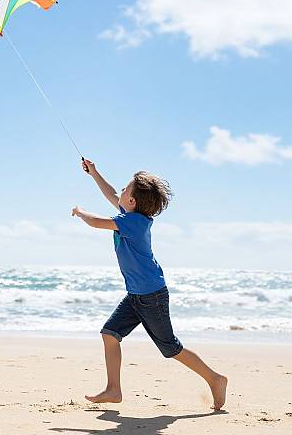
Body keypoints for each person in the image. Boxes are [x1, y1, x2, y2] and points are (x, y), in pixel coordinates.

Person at [72, 158, 227, 410]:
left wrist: (80, 212)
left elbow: (96, 222)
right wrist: (94, 173)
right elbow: (111, 193)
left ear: (132, 201)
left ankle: (216, 379)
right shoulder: (131, 214)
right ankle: (113, 389)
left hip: (151, 296)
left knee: (171, 349)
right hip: (136, 295)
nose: (120, 192)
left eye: (125, 189)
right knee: (110, 334)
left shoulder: (132, 222)